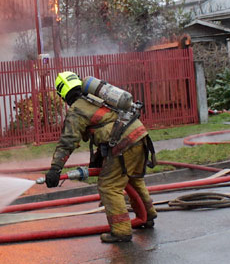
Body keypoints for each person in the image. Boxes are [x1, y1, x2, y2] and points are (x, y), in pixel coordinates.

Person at [45, 71, 157, 243]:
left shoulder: (77, 109)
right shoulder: (97, 98)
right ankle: (148, 216)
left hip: (124, 143)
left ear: (63, 94)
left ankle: (121, 231)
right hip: (140, 135)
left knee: (109, 186)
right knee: (133, 180)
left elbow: (68, 141)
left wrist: (55, 169)